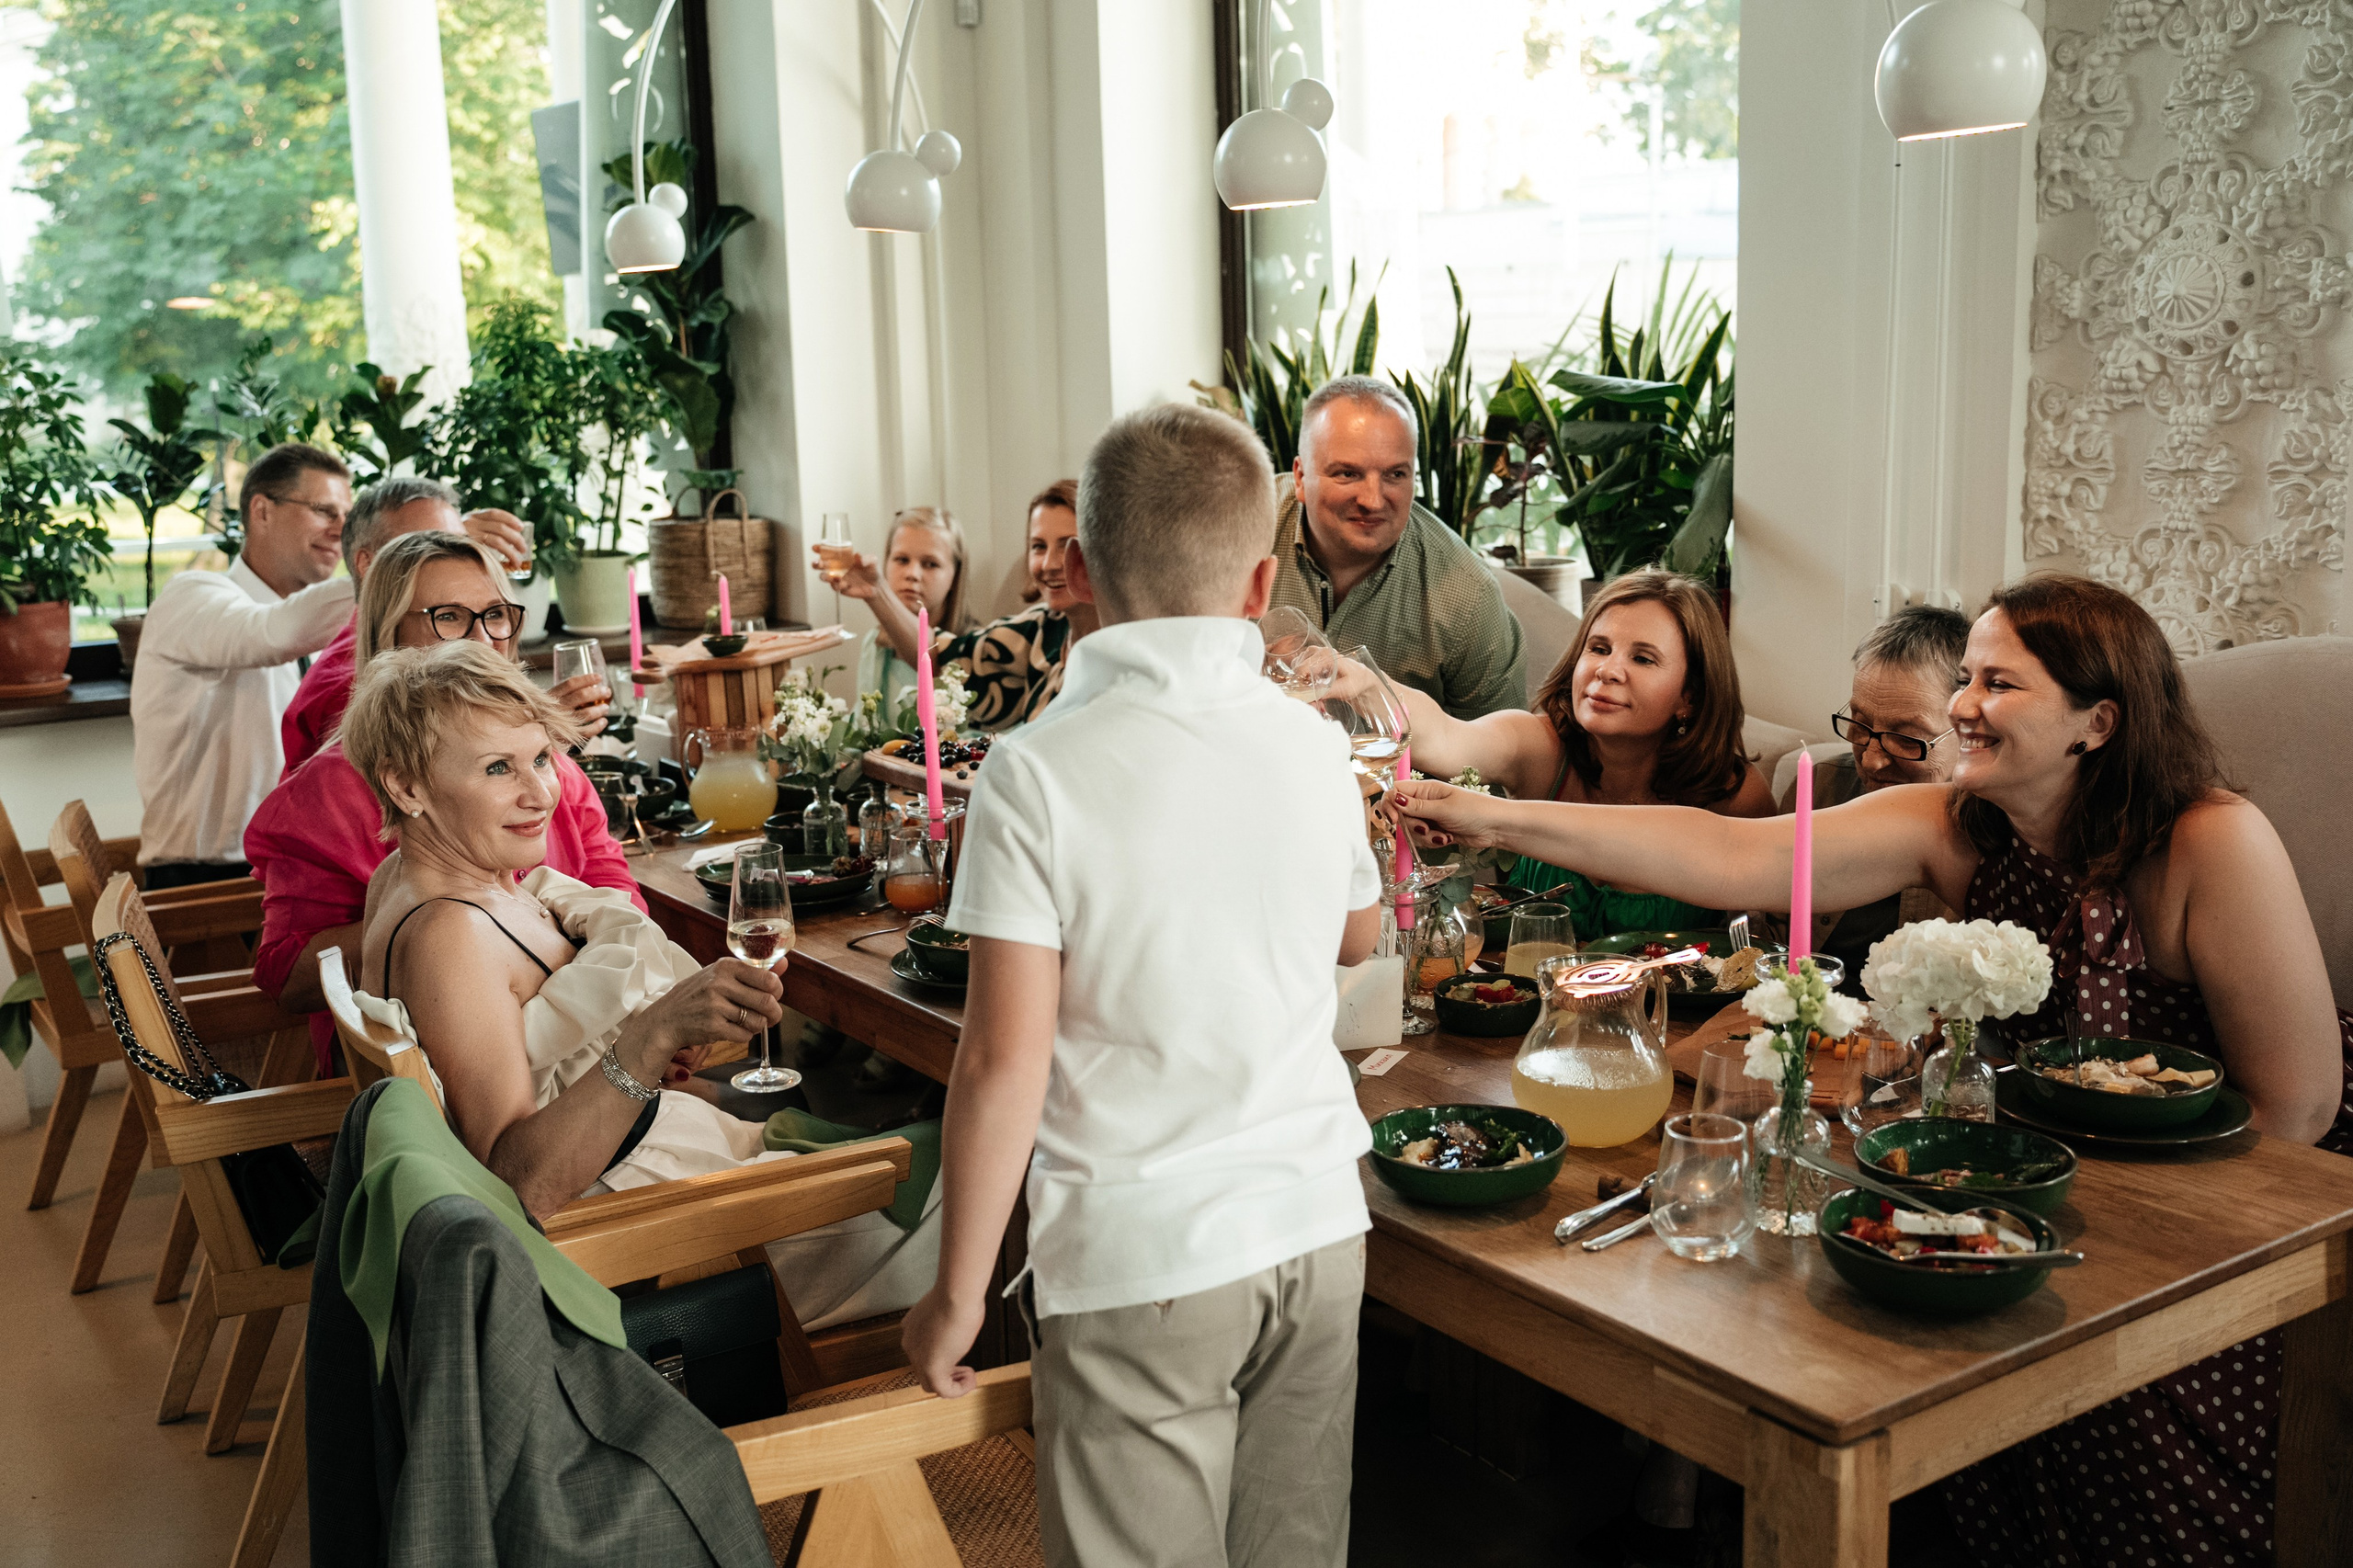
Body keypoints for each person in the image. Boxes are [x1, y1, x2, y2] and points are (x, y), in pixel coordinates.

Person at [1394, 573, 2353, 1564]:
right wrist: (1493, 817)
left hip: (2225, 1194)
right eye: (1967, 677)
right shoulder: (1954, 823)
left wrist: (2107, 1237)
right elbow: (1724, 850)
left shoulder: (2208, 838)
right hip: (2021, 1171)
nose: (1964, 706)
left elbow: (2296, 1107)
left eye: (1999, 684)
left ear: (2095, 721)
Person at [903, 403, 1382, 1568]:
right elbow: (1359, 935)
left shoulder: (1034, 770)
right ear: (1264, 575)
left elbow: (1003, 1059)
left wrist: (955, 1291)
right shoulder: (1311, 743)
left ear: (1076, 566)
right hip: (1316, 1225)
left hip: (1145, 1251)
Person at [339, 642, 938, 1327]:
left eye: (540, 758)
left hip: (662, 1171)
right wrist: (651, 1039)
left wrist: (634, 1051)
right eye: (497, 768)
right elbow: (516, 1184)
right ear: (407, 787)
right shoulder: (451, 935)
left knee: (933, 1140)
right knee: (993, 1178)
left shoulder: (414, 880)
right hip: (658, 1249)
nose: (540, 793)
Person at [245, 530, 631, 1071]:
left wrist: (636, 993)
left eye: (495, 614)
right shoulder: (329, 789)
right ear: (388, 635)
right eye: (449, 617)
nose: (481, 641)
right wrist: (446, 935)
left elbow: (613, 881)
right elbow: (286, 978)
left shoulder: (546, 765)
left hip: (580, 1038)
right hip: (419, 1068)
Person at [1364, 566, 1773, 937]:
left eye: (1643, 658)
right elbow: (1445, 738)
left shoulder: (1736, 796)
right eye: (1598, 648)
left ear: (1690, 695)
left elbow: (1763, 943)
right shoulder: (1541, 747)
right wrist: (1359, 682)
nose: (1607, 670)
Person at [131, 442, 357, 889]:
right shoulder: (192, 596)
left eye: (347, 518)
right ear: (262, 510)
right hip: (208, 884)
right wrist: (405, 563)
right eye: (324, 511)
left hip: (287, 867)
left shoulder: (313, 621)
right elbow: (272, 633)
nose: (341, 532)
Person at [1269, 375, 1525, 720]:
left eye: (1395, 475)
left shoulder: (1467, 594)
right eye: (1347, 473)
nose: (1373, 501)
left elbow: (1504, 754)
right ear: (1300, 477)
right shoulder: (1236, 529)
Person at [278, 475, 533, 775]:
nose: (451, 558)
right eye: (422, 546)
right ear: (371, 566)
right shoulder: (352, 693)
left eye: (460, 544)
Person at [830, 481, 1097, 731]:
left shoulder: (1123, 643)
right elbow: (939, 656)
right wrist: (876, 592)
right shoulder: (1040, 627)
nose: (1049, 564)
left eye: (1068, 546)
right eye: (1038, 547)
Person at [1792, 604, 1971, 980]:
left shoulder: (1996, 830)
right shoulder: (1820, 789)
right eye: (1860, 725)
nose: (1872, 761)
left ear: (1969, 729)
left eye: (1906, 738)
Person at [844, 506, 973, 718]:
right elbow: (861, 723)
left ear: (955, 575)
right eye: (902, 560)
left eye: (930, 564)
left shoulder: (969, 651)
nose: (912, 574)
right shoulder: (875, 644)